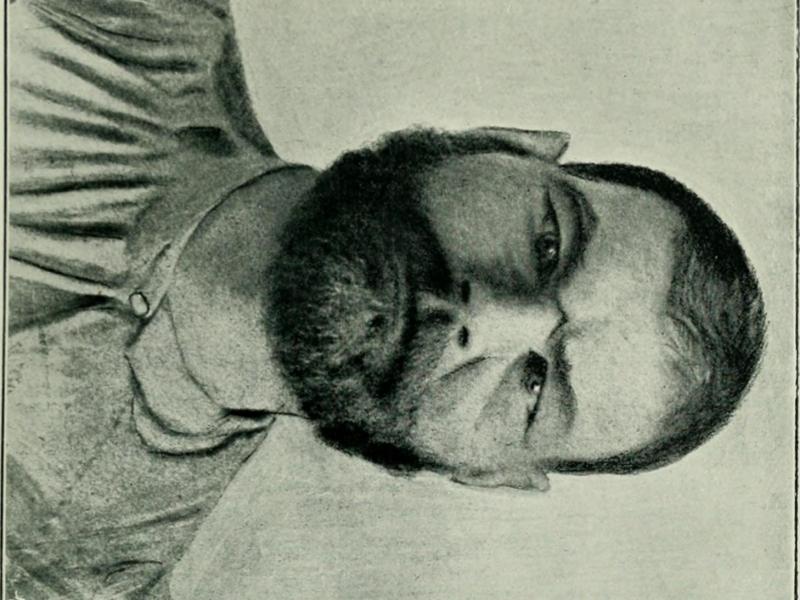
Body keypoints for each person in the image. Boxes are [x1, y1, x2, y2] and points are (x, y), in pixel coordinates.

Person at [6, 0, 765, 597]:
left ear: (488, 472)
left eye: (535, 386)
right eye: (548, 243)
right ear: (501, 143)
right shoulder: (108, 16)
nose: (487, 315)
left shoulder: (71, 576)